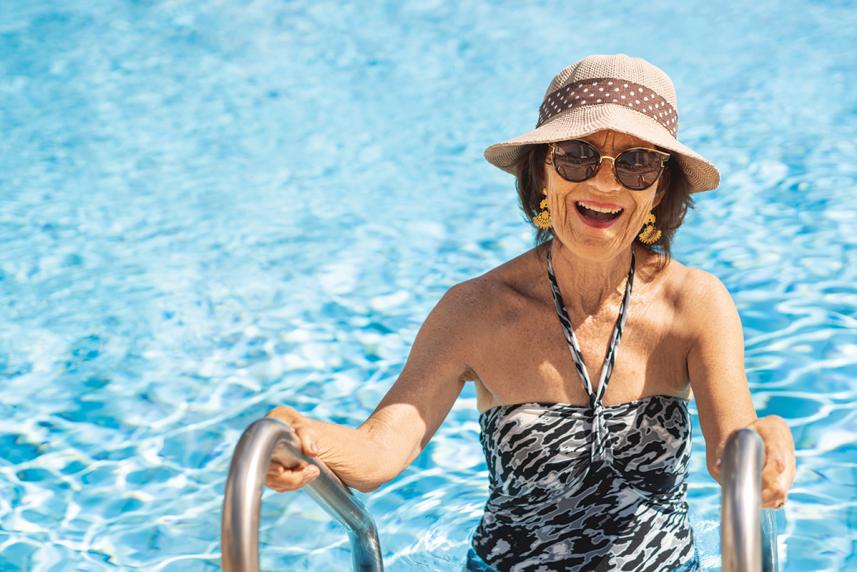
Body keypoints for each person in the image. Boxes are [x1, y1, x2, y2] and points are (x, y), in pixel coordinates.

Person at [264, 54, 797, 571]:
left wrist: (766, 442)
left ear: (659, 189)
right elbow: (381, 452)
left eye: (637, 163)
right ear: (542, 174)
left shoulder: (694, 304)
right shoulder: (475, 311)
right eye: (576, 155)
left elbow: (732, 454)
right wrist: (300, 436)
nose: (605, 183)